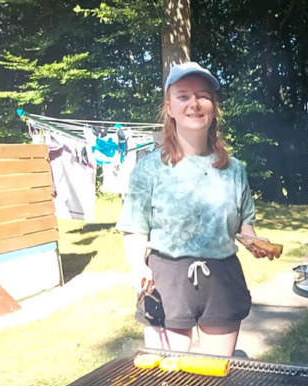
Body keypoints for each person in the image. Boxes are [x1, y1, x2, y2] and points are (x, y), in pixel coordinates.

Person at [116, 61, 273, 356]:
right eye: (184, 96)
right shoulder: (149, 169)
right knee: (170, 380)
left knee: (216, 373)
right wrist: (138, 266)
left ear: (213, 106)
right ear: (169, 107)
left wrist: (255, 242)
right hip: (166, 279)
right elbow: (135, 228)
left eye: (203, 96)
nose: (194, 104)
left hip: (222, 279)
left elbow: (245, 225)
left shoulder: (234, 169)